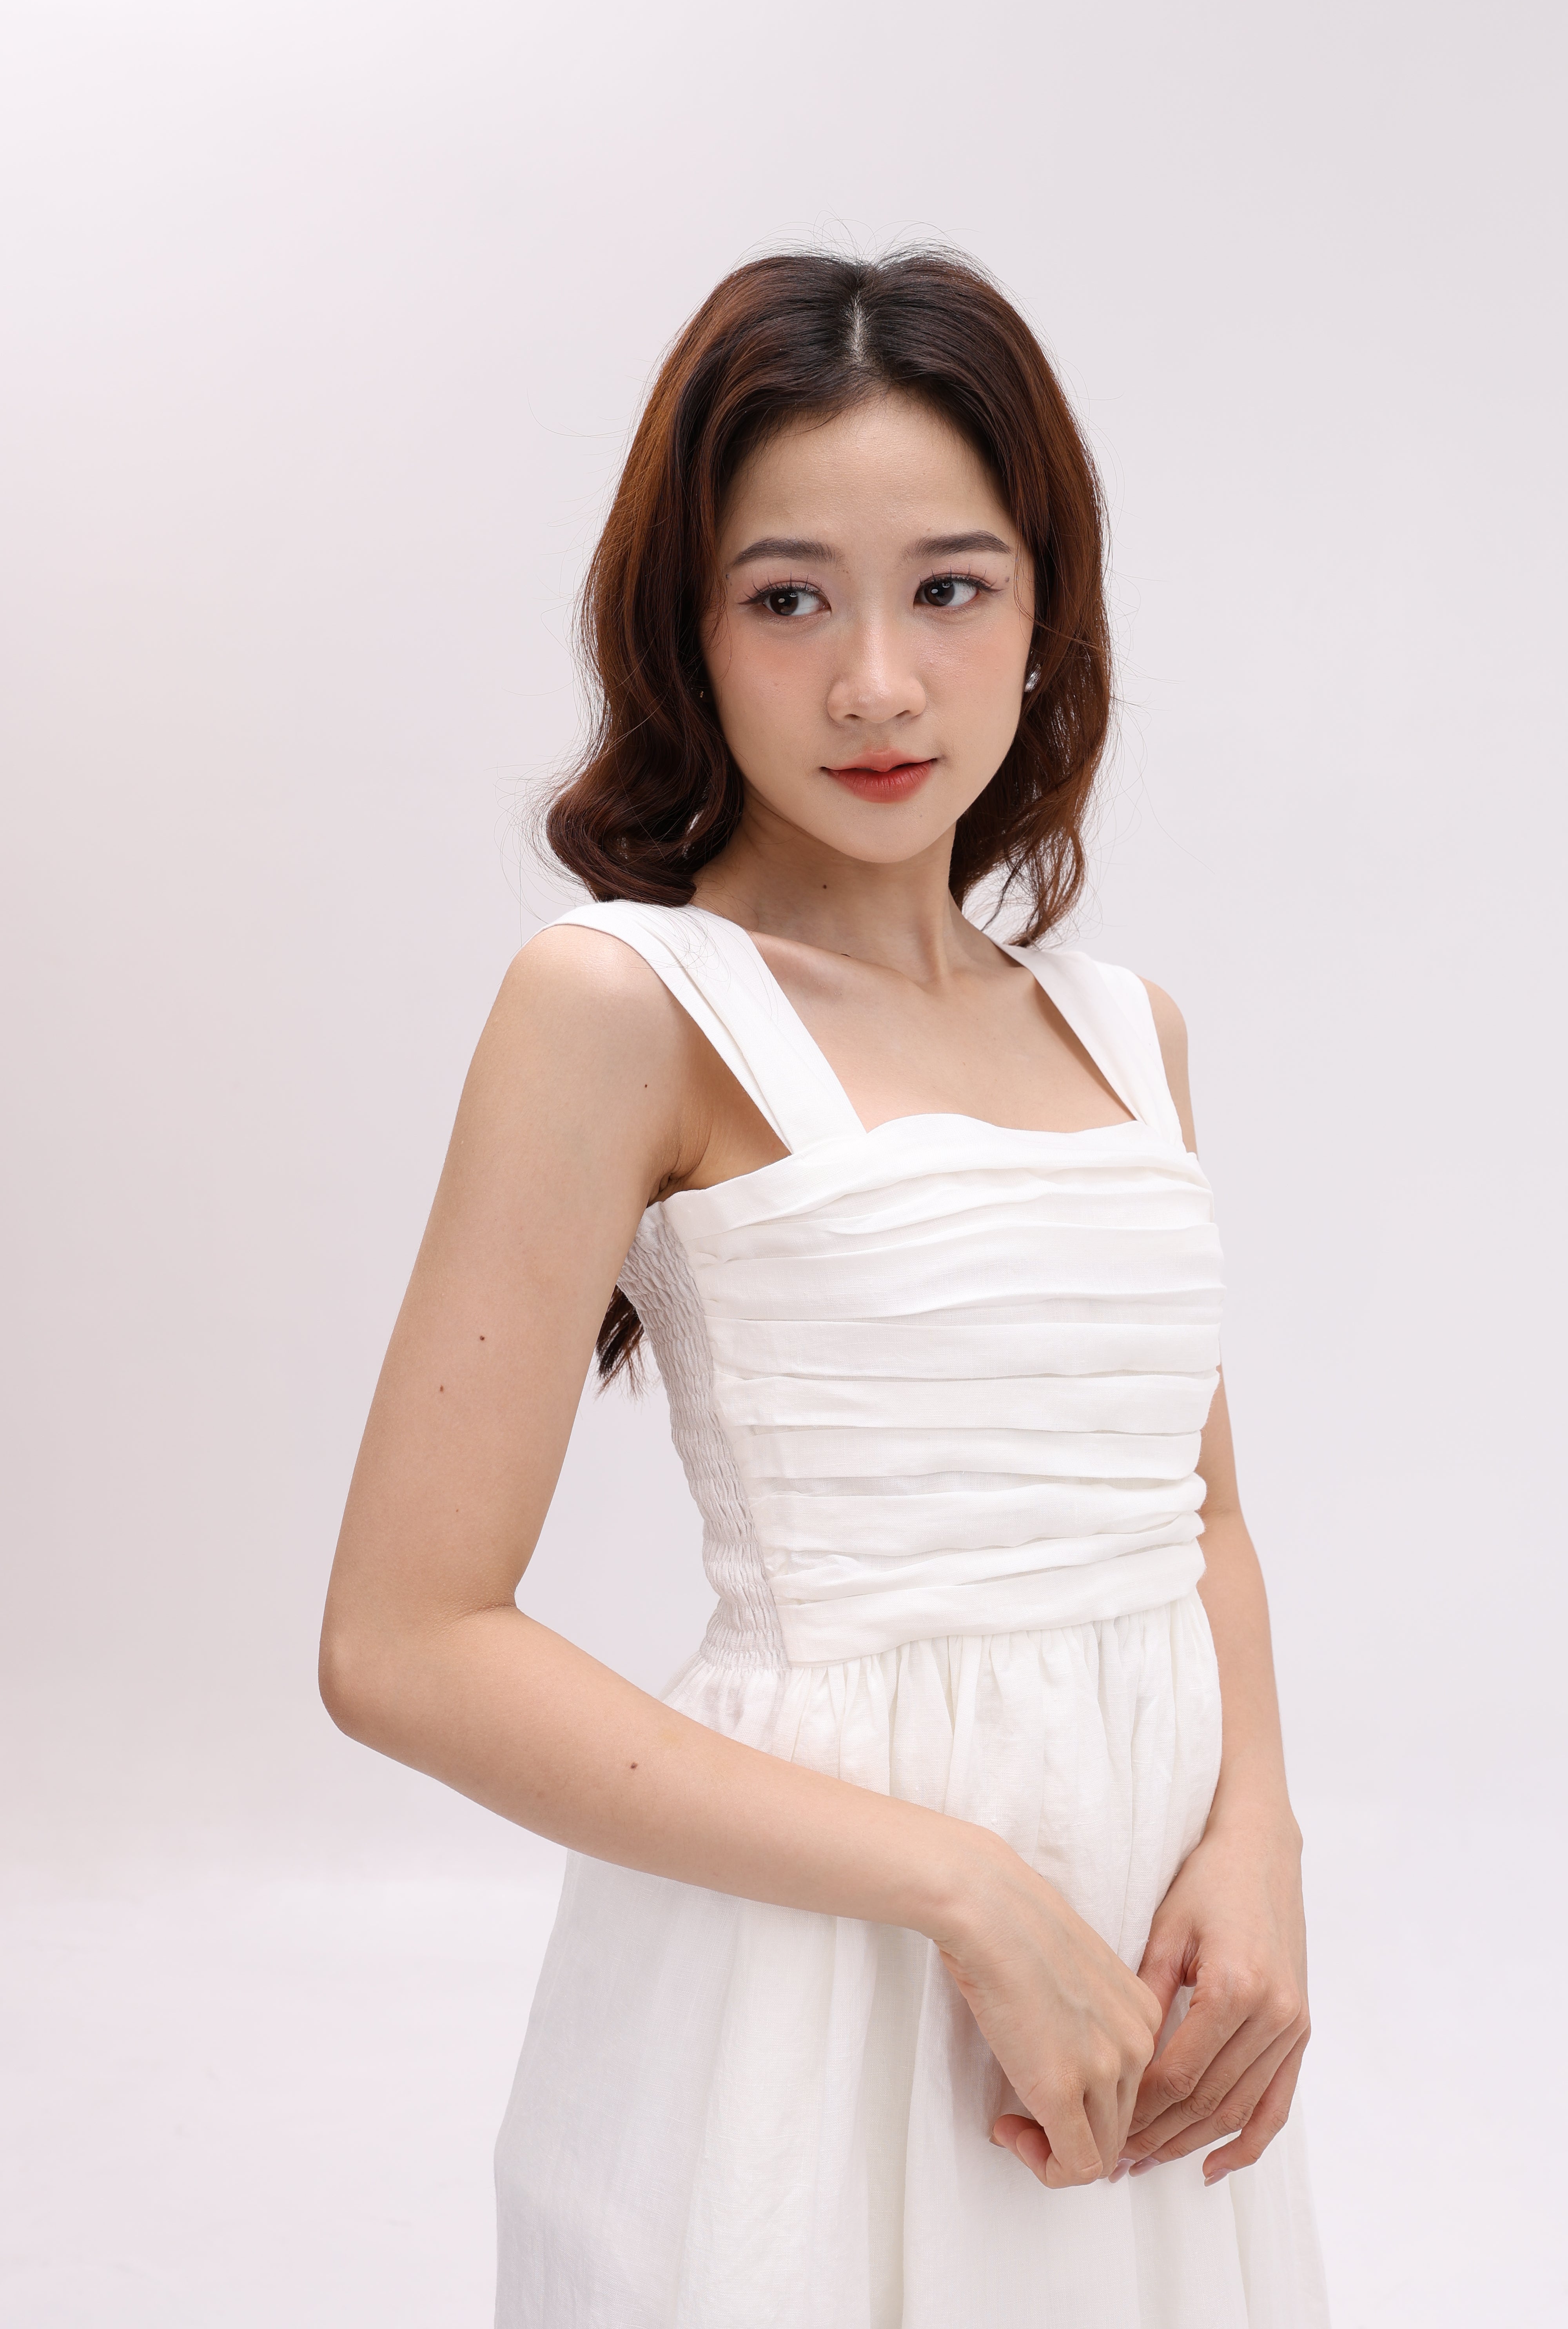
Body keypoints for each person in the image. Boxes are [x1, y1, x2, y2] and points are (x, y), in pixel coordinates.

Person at [320, 248, 1330, 2327]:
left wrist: (1262, 1848)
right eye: (789, 600)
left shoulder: (1126, 1035)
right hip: (818, 1987)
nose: (877, 684)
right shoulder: (623, 1005)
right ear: (687, 633)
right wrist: (966, 1891)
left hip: (1141, 1988)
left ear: (1048, 616)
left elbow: (1195, 1518)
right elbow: (403, 1645)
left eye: (951, 588)